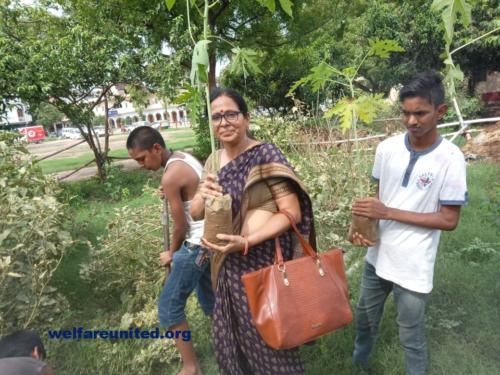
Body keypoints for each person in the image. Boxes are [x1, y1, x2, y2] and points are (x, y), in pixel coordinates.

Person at [190, 88, 316, 375]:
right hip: (224, 269)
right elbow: (196, 213)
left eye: (231, 114)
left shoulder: (264, 154)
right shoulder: (212, 160)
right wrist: (202, 193)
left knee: (271, 344)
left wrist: (246, 241)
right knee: (234, 341)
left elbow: (291, 212)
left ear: (246, 118)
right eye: (216, 117)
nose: (224, 122)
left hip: (260, 267)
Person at [350, 71, 468, 374]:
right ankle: (357, 364)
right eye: (406, 113)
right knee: (364, 318)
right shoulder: (386, 149)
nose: (412, 121)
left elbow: (448, 219)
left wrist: (387, 212)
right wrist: (363, 228)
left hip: (413, 264)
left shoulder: (450, 158)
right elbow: (378, 199)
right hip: (377, 258)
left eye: (420, 113)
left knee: (411, 334)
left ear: (440, 112)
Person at [127, 126, 214, 375]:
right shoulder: (183, 159)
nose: (142, 165)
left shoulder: (171, 175)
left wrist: (172, 254)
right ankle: (230, 344)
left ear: (157, 148)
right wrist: (170, 192)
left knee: (169, 306)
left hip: (196, 245)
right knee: (211, 303)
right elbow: (189, 191)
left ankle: (190, 367)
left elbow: (180, 226)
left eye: (142, 158)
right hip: (209, 241)